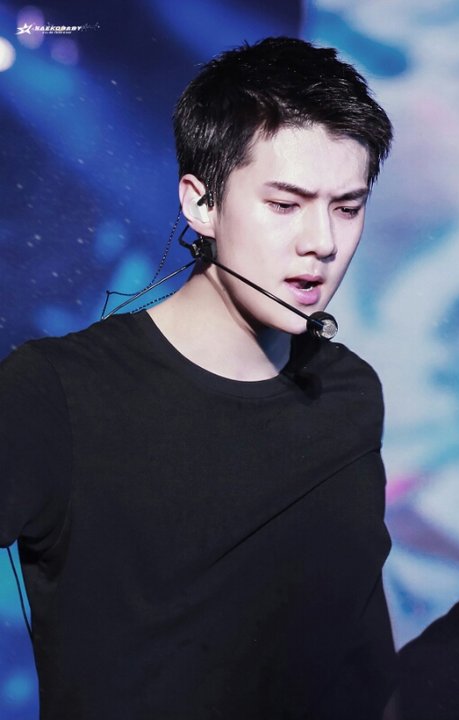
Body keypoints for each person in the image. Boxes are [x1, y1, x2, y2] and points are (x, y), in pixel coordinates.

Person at [0, 37, 396, 719]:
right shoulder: (58, 392)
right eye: (285, 204)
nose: (323, 242)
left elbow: (362, 657)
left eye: (347, 206)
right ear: (200, 203)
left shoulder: (350, 392)